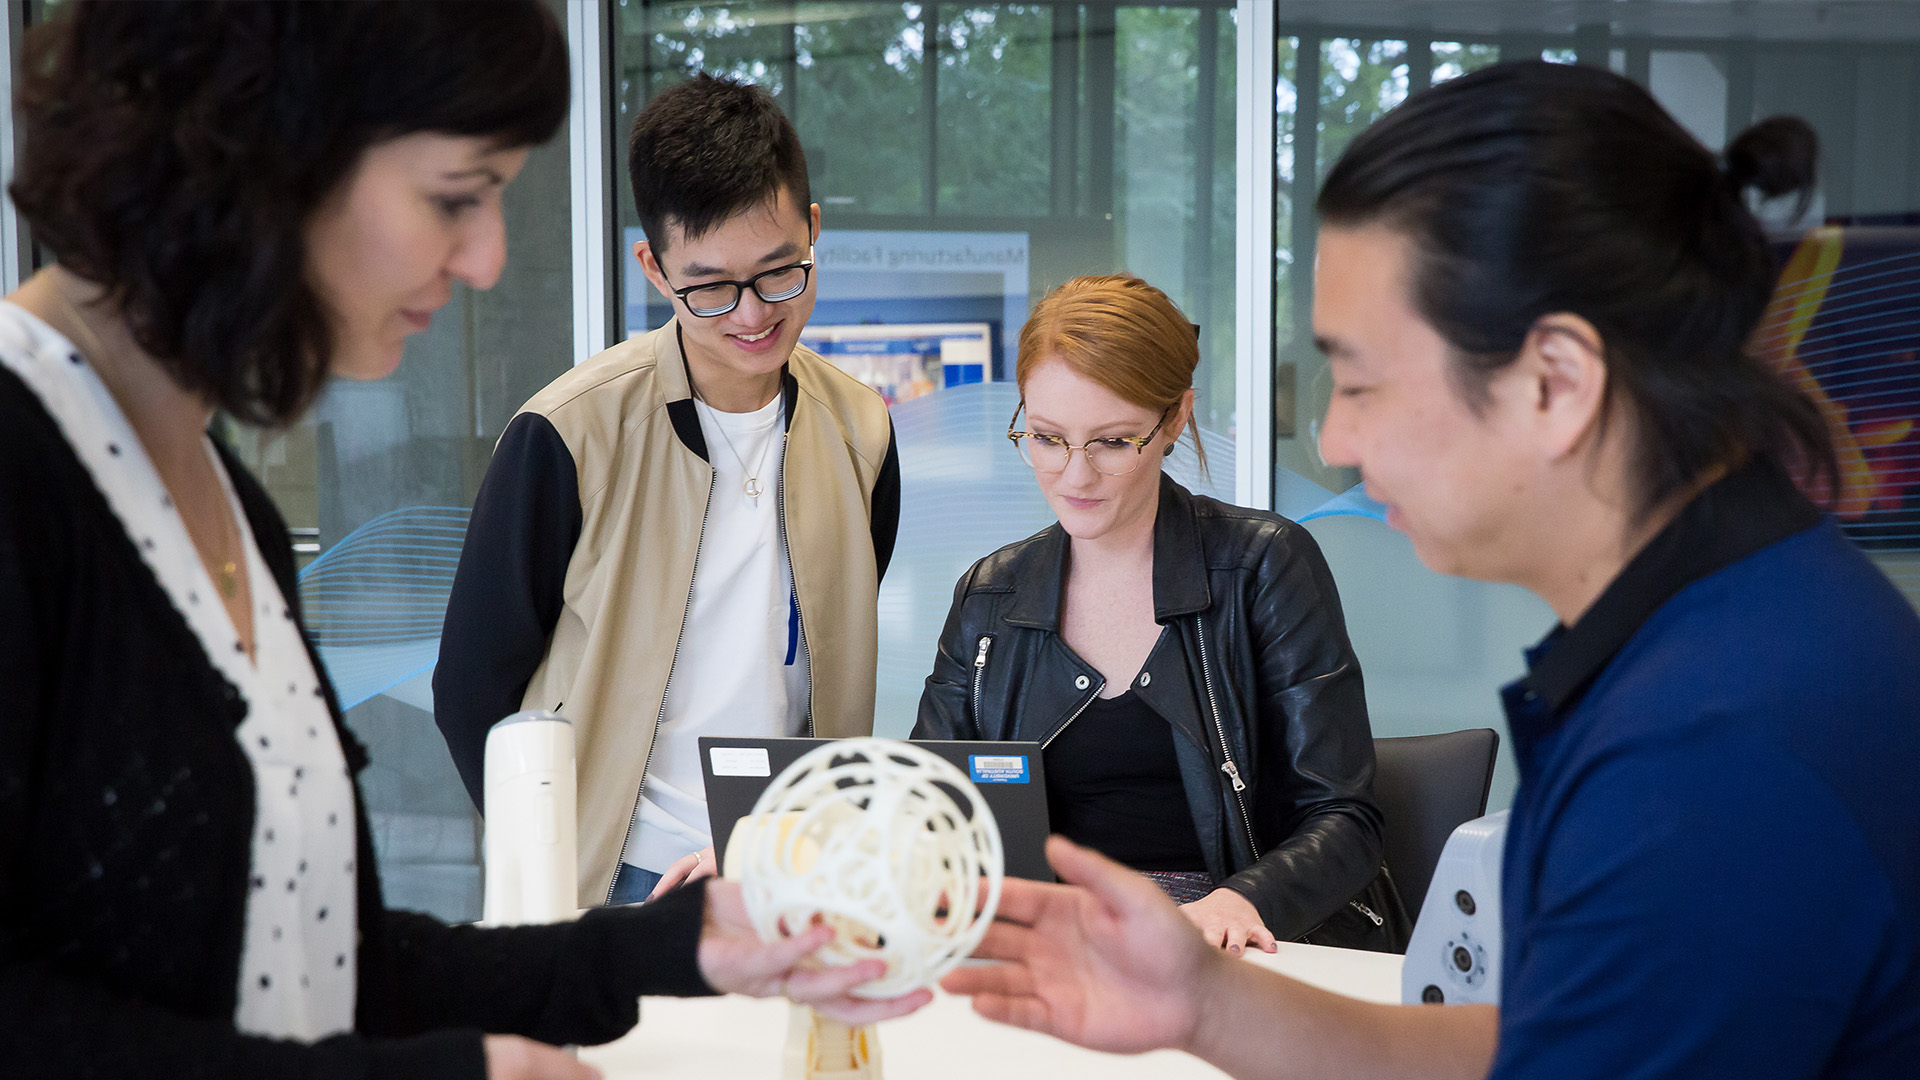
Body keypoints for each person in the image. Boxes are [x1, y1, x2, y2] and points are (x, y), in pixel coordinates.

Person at [941, 61, 1920, 1080]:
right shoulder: (1734, 629)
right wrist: (1203, 1003)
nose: (1336, 438)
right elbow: (1546, 1046)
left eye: (1361, 383)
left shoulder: (1713, 747)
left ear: (1555, 383)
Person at [0, 5, 926, 1078]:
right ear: (264, 159)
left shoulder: (218, 496)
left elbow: (321, 958)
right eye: (456, 197)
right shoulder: (24, 477)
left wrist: (675, 945)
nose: (487, 258)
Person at [434, 73, 900, 908]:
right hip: (609, 878)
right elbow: (471, 691)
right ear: (653, 266)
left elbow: (830, 652)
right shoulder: (570, 433)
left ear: (813, 230)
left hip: (789, 866)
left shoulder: (862, 432)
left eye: (778, 273)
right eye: (710, 285)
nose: (752, 314)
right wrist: (542, 871)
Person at [913, 275, 1406, 955]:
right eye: (1047, 438)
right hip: (1051, 949)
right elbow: (927, 813)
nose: (1074, 476)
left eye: (1113, 443)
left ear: (1175, 418)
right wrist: (784, 859)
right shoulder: (991, 597)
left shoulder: (1262, 568)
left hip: (1239, 948)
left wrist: (1235, 903)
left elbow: (1343, 819)